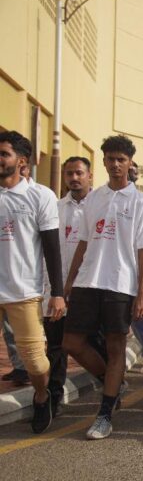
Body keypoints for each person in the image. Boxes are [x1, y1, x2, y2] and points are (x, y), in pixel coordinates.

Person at [62, 135, 143, 440]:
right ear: (103, 161)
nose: (115, 164)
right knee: (72, 343)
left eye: (121, 159)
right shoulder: (94, 198)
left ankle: (104, 415)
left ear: (130, 163)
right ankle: (113, 383)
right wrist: (70, 280)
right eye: (110, 159)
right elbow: (83, 241)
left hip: (120, 284)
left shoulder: (139, 203)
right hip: (88, 281)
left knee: (116, 348)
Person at [0, 131, 65, 434]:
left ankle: (41, 395)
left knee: (36, 364)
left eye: (4, 154)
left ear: (22, 161)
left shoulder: (41, 196)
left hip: (23, 292)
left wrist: (58, 293)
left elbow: (52, 248)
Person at [44, 156, 105, 417]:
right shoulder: (55, 208)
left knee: (92, 342)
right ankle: (53, 399)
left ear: (90, 175)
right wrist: (53, 288)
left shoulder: (101, 207)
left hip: (90, 287)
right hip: (57, 289)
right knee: (55, 347)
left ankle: (111, 384)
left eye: (79, 173)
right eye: (69, 173)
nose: (74, 178)